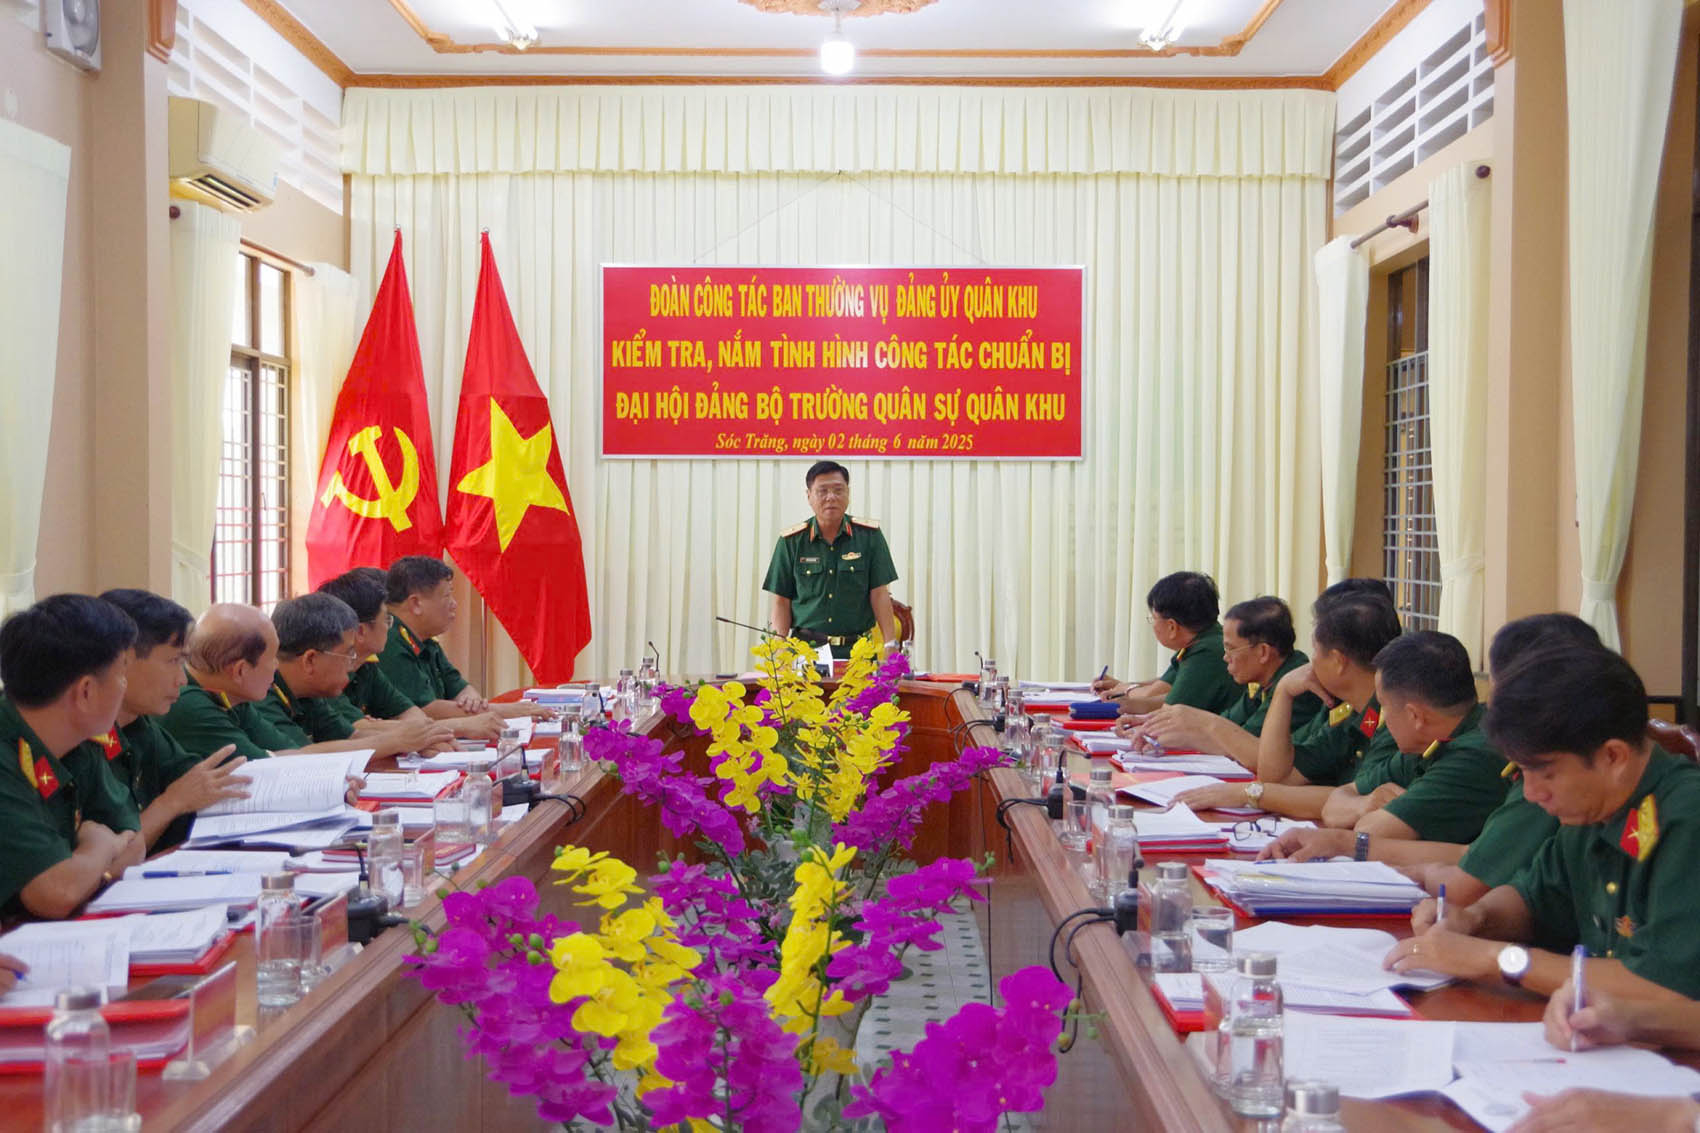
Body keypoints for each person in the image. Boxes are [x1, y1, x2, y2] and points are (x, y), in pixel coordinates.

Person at [1383, 644, 1700, 1001]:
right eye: (1523, 771)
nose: (1531, 793)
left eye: (1544, 773)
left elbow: (1663, 986)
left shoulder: (1687, 818)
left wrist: (1497, 959)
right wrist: (1473, 919)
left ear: (1613, 757)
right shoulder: (1591, 809)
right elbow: (1534, 898)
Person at [1259, 614, 1590, 886]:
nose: (1497, 708)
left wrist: (1348, 836)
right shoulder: (1431, 743)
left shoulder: (1481, 754)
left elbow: (1470, 870)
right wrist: (1359, 809)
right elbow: (1335, 803)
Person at [1173, 593, 1402, 819]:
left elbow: (1355, 801)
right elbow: (1276, 776)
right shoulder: (1352, 714)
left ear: (1337, 661)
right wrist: (1283, 691)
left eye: (1316, 651)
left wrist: (1248, 793)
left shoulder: (1395, 722)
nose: (1311, 662)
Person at [0, 595, 146, 918]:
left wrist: (87, 872)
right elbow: (56, 893)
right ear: (86, 692)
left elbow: (135, 844)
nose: (125, 686)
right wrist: (100, 846)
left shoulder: (78, 739)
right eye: (122, 674)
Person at [1313, 630, 1504, 842]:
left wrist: (1366, 813)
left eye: (1383, 706)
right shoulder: (1425, 744)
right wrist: (1363, 804)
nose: (1382, 716)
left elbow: (1370, 833)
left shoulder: (1473, 756)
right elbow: (1333, 804)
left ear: (1415, 716)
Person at [95, 588, 249, 851]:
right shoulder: (80, 741)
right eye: (174, 661)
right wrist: (171, 803)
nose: (182, 679)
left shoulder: (140, 726)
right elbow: (110, 858)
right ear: (124, 661)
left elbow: (198, 780)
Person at [1121, 596, 1324, 767]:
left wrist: (1189, 728)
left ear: (1263, 652)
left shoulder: (1295, 686)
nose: (1225, 657)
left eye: (1230, 649)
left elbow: (1245, 745)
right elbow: (1230, 722)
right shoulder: (1262, 679)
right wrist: (1160, 726)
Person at [247, 593, 453, 758]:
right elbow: (299, 757)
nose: (352, 664)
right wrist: (397, 741)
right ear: (310, 660)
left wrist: (423, 738)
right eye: (348, 654)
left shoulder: (308, 693)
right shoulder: (261, 693)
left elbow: (351, 736)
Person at [317, 568, 499, 746]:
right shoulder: (326, 673)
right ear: (361, 631)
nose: (391, 626)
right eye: (386, 619)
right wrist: (460, 727)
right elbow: (357, 731)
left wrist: (416, 735)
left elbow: (414, 716)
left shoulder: (367, 666)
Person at [378, 557, 545, 722]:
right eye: (447, 596)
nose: (454, 604)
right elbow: (425, 709)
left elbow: (458, 686)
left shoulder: (425, 639)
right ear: (415, 604)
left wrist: (473, 702)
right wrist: (511, 710)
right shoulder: (388, 639)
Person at [763, 461, 898, 657]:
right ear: (809, 496)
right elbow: (781, 601)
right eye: (822, 491)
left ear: (848, 494)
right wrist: (780, 649)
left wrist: (890, 644)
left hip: (858, 652)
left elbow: (879, 594)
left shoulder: (869, 536)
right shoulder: (791, 542)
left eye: (838, 490)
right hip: (806, 651)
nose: (831, 497)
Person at [1095, 572, 1241, 716]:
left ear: (1172, 627)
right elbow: (1167, 685)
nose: (1153, 625)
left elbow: (1163, 704)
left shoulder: (1206, 653)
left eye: (1153, 618)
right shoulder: (1206, 639)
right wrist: (1122, 687)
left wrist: (1125, 690)